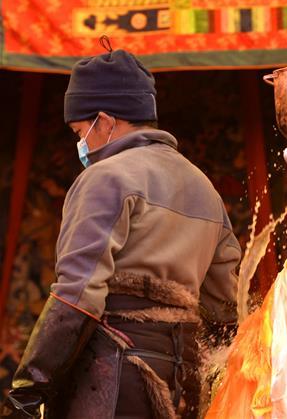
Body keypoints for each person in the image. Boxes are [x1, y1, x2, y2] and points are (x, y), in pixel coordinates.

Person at [2, 45, 241, 419]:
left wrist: (29, 389)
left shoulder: (105, 177)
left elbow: (78, 294)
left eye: (80, 131)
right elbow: (225, 304)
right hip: (181, 386)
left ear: (105, 120)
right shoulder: (205, 189)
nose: (80, 144)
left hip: (109, 382)